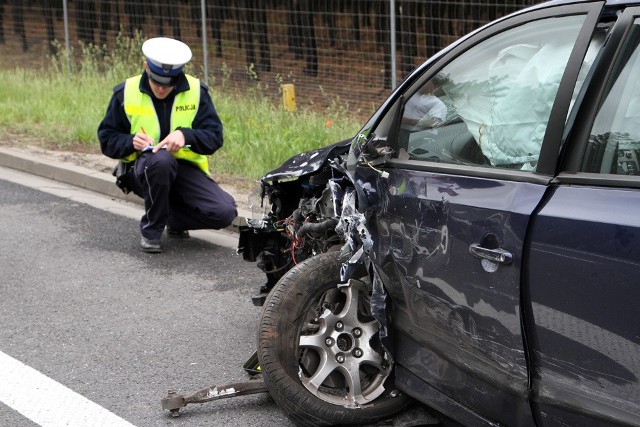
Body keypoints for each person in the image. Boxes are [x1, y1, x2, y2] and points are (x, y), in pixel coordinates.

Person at [98, 37, 237, 253]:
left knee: (225, 212)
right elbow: (106, 139)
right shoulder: (125, 92)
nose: (161, 89)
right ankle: (151, 231)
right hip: (141, 169)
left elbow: (215, 137)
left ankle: (172, 219)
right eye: (156, 82)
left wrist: (186, 136)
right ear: (146, 67)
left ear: (179, 75)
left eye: (168, 84)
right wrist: (130, 141)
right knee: (161, 161)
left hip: (184, 169)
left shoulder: (196, 91)